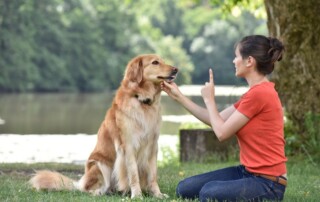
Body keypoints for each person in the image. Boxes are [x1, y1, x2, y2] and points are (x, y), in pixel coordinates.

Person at [161, 35, 287, 202]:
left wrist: (209, 100)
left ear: (249, 61)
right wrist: (179, 97)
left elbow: (221, 133)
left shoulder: (260, 94)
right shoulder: (253, 94)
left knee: (208, 193)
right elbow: (216, 120)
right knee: (184, 188)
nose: (234, 61)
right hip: (247, 173)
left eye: (236, 56)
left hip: (268, 184)